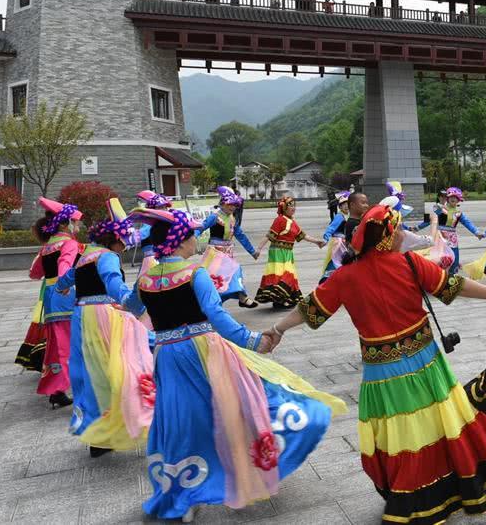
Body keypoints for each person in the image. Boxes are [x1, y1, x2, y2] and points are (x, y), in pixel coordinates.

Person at [266, 201, 486, 525]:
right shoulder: (410, 263)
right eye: (398, 228)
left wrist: (277, 330)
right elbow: (453, 285)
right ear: (387, 237)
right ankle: (443, 487)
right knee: (441, 423)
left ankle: (410, 492)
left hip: (382, 374)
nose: (403, 233)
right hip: (426, 365)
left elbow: (309, 309)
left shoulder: (345, 276)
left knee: (401, 435)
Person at [130, 208, 344, 522]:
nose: (196, 240)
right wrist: (256, 341)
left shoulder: (146, 278)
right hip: (203, 352)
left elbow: (129, 306)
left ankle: (181, 494)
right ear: (180, 240)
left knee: (179, 421)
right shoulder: (194, 273)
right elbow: (217, 317)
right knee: (246, 404)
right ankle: (252, 459)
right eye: (191, 235)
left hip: (167, 355)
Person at [54, 198, 153, 457]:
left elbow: (64, 280)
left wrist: (61, 288)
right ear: (114, 240)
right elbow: (112, 282)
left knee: (89, 370)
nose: (124, 247)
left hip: (81, 315)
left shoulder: (85, 256)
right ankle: (131, 419)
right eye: (123, 242)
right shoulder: (108, 257)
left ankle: (99, 432)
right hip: (103, 315)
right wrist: (131, 302)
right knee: (122, 364)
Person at [26, 197, 83, 409]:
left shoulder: (47, 246)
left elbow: (34, 273)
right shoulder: (69, 244)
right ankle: (76, 386)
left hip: (50, 297)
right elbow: (65, 267)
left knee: (56, 343)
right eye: (74, 222)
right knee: (71, 341)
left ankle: (57, 388)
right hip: (65, 294)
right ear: (63, 223)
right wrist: (65, 282)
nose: (77, 226)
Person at [253, 196, 325, 310]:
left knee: (288, 275)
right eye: (290, 206)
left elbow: (303, 236)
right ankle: (279, 299)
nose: (293, 208)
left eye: (294, 205)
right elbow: (269, 235)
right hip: (277, 252)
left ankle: (283, 299)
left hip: (287, 253)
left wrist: (317, 242)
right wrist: (258, 249)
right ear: (284, 208)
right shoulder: (280, 220)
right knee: (281, 275)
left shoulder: (292, 222)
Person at [195, 187, 259, 308]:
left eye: (235, 205)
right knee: (216, 280)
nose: (233, 207)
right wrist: (193, 239)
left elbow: (240, 236)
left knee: (232, 273)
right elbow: (201, 228)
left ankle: (241, 297)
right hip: (214, 253)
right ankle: (211, 305)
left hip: (227, 253)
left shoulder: (232, 219)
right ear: (223, 203)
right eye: (230, 204)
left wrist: (252, 251)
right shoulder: (214, 217)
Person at [413, 186, 482, 273]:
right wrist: (417, 228)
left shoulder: (459, 213)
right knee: (440, 259)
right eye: (451, 197)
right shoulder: (439, 209)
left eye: (456, 198)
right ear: (448, 198)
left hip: (452, 239)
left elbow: (467, 223)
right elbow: (429, 219)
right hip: (440, 237)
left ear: (458, 200)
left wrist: (476, 232)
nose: (453, 199)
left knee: (454, 260)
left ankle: (450, 279)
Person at [319, 190, 351, 283]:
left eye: (347, 204)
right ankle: (328, 281)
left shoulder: (347, 216)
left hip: (344, 243)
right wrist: (326, 238)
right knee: (335, 262)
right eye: (343, 204)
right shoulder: (339, 216)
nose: (345, 206)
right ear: (340, 207)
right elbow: (330, 229)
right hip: (338, 243)